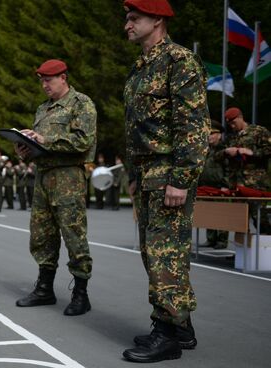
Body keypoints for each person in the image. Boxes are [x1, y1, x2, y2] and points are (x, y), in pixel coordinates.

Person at [122, 0, 210, 363]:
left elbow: (194, 126)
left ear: (157, 19)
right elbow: (135, 128)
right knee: (154, 253)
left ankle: (167, 334)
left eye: (134, 18)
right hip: (145, 174)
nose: (126, 25)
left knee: (164, 255)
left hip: (166, 174)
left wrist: (181, 178)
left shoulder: (179, 60)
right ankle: (181, 327)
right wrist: (131, 175)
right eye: (126, 19)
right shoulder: (141, 67)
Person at [14, 58, 97, 317]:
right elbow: (40, 148)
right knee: (41, 236)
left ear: (63, 77)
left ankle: (80, 294)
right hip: (43, 178)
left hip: (68, 179)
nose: (44, 85)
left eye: (48, 80)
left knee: (73, 235)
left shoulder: (81, 103)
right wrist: (24, 149)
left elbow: (83, 141)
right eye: (41, 80)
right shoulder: (43, 109)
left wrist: (44, 139)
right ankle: (44, 289)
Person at [223, 107, 271, 233]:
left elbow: (268, 150)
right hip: (237, 183)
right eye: (230, 124)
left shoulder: (259, 131)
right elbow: (219, 155)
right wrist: (227, 152)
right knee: (239, 221)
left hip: (255, 184)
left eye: (234, 123)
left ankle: (264, 251)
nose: (232, 126)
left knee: (261, 219)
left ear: (240, 117)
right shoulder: (231, 137)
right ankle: (241, 252)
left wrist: (250, 152)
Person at [198, 120, 231, 248]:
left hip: (220, 187)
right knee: (209, 213)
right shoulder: (205, 150)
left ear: (219, 135)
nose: (210, 136)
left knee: (222, 213)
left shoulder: (224, 149)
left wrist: (226, 185)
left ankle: (222, 240)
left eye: (212, 133)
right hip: (206, 187)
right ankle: (211, 238)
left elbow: (229, 169)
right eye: (208, 133)